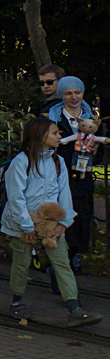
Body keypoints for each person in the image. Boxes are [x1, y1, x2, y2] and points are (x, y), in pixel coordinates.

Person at [3, 116, 102, 327]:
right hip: (24, 222)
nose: (60, 136)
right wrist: (26, 226)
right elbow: (15, 197)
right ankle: (17, 300)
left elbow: (64, 194)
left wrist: (63, 223)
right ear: (40, 135)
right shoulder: (21, 162)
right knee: (21, 263)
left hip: (50, 224)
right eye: (55, 132)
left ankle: (74, 308)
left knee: (62, 262)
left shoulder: (58, 161)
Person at [46, 76, 105, 271]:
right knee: (61, 216)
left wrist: (94, 152)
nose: (73, 97)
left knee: (81, 217)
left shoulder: (94, 121)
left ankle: (76, 257)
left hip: (83, 178)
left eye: (77, 92)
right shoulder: (53, 120)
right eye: (68, 93)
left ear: (83, 93)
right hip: (60, 177)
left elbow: (99, 157)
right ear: (61, 95)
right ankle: (60, 258)